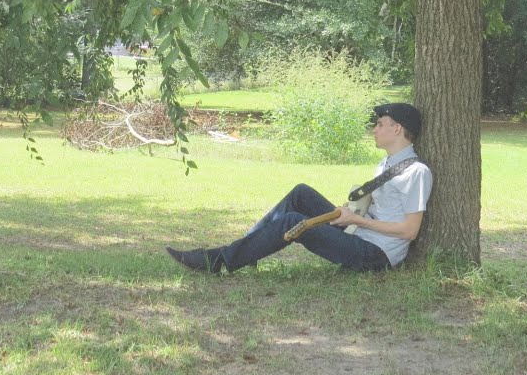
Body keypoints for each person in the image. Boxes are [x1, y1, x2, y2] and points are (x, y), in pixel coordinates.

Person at [166, 102, 432, 273]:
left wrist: (356, 221)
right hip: (359, 233)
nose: (374, 129)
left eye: (380, 124)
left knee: (293, 222)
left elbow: (409, 231)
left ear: (397, 129)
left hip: (376, 254)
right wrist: (353, 213)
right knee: (301, 193)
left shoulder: (416, 173)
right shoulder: (387, 163)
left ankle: (219, 261)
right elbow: (381, 207)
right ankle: (247, 248)